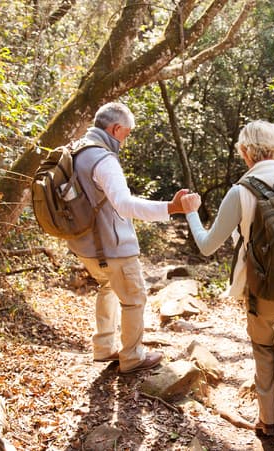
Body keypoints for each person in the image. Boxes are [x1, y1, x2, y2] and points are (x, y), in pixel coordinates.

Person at [179, 120, 274, 446]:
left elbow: (207, 246)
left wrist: (191, 212)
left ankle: (267, 423)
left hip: (262, 293)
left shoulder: (241, 191)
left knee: (265, 354)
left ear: (246, 152)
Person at [65, 101, 187, 373]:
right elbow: (125, 204)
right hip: (113, 247)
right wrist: (171, 207)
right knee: (134, 298)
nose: (126, 139)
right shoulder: (103, 159)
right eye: (127, 133)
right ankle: (132, 357)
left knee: (107, 287)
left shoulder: (75, 151)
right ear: (116, 128)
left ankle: (104, 348)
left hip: (84, 246)